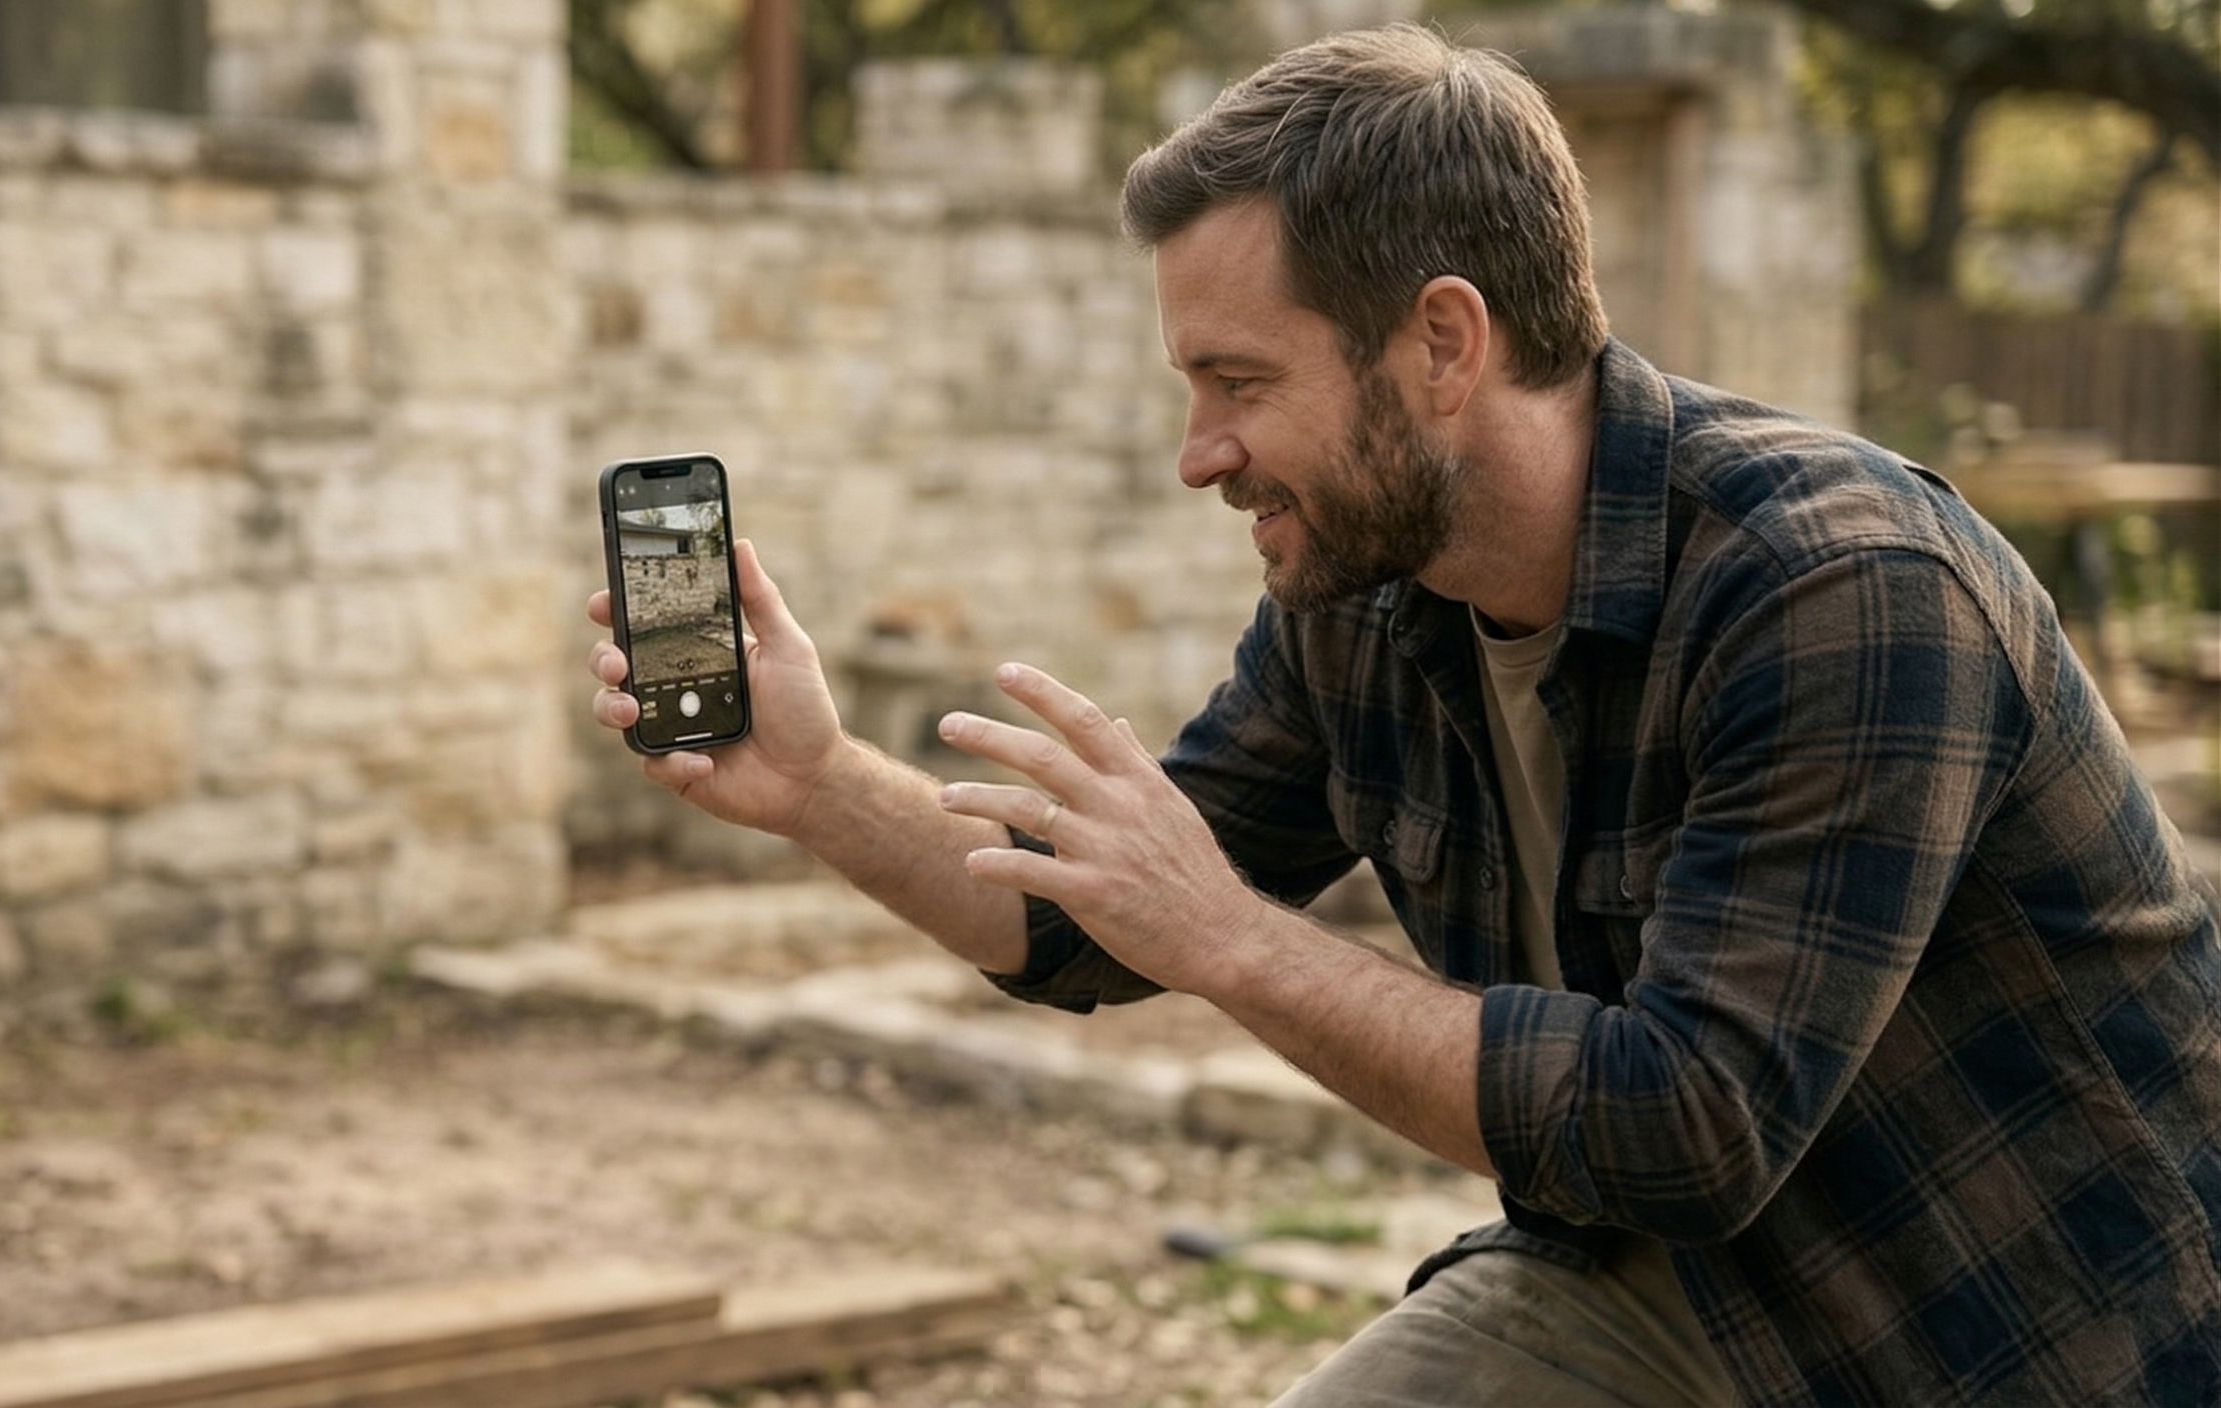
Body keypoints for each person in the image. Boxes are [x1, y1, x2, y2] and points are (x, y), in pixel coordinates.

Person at [584, 23, 2221, 1408]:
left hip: (2033, 1334)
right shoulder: (1365, 596)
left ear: (1442, 342)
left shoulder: (1841, 589)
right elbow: (1093, 928)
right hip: (1681, 1298)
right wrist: (811, 782)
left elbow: (1687, 1125)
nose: (1197, 455)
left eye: (1240, 382)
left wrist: (1230, 938)